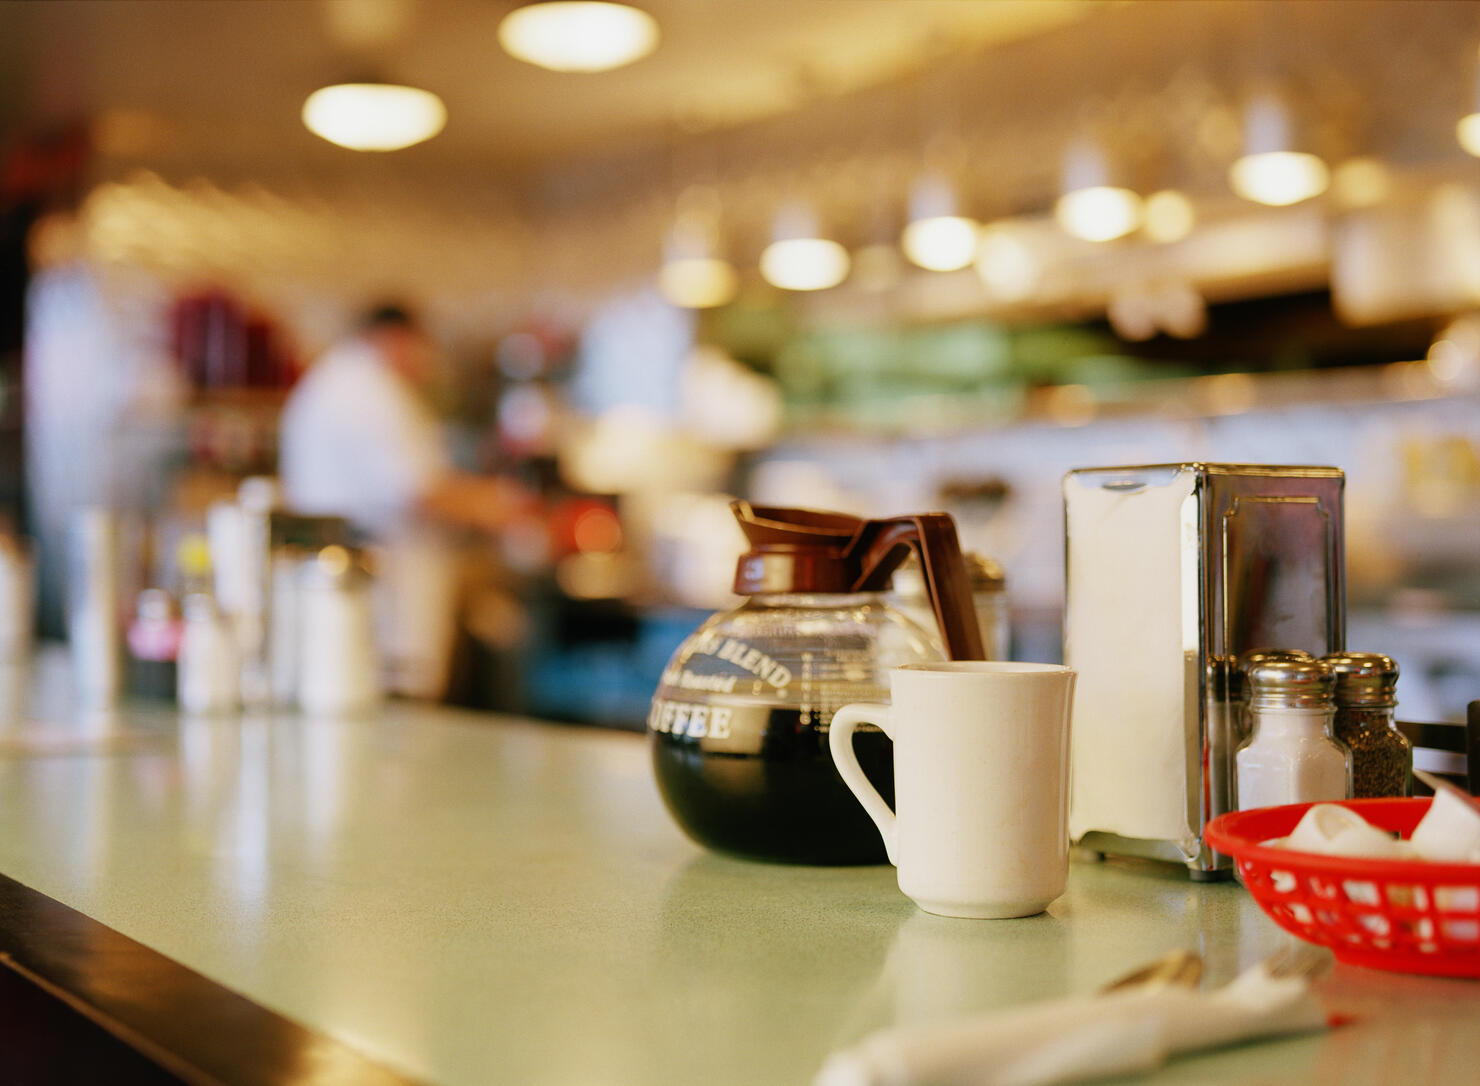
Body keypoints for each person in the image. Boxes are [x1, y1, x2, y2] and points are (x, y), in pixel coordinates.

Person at [279, 305, 531, 699]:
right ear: (396, 337)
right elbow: (417, 489)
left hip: (349, 576)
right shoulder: (368, 389)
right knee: (392, 703)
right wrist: (502, 507)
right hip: (381, 583)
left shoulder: (338, 379)